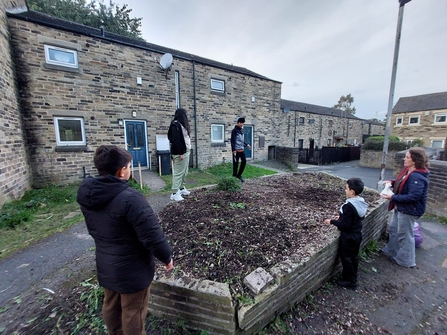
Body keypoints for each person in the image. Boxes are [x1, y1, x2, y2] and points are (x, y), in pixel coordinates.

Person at [77, 145, 174, 335]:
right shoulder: (131, 199)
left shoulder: (88, 195)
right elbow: (152, 235)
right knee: (133, 312)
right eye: (129, 167)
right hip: (133, 270)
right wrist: (166, 257)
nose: (129, 170)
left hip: (106, 266)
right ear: (122, 171)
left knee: (111, 305)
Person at [381, 147, 429, 268]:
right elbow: (402, 182)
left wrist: (392, 197)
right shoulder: (408, 172)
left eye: (407, 157)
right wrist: (391, 182)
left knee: (405, 235)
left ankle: (406, 260)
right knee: (393, 230)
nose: (404, 159)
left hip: (409, 210)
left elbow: (413, 197)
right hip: (401, 207)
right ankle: (391, 250)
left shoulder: (416, 177)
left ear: (415, 160)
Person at [324, 178, 368, 289]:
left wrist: (332, 222)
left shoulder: (348, 206)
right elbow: (356, 217)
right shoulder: (360, 202)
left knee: (346, 258)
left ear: (352, 191)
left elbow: (345, 225)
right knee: (354, 257)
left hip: (348, 237)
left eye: (346, 188)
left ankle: (350, 282)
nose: (345, 190)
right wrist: (342, 217)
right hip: (357, 234)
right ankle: (352, 276)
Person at [168, 108, 192, 201]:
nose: (187, 116)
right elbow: (176, 141)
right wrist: (181, 152)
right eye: (185, 114)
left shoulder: (181, 125)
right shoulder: (175, 125)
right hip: (180, 153)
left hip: (186, 151)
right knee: (178, 172)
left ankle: (181, 188)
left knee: (184, 171)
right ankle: (174, 193)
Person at [230, 117, 251, 182]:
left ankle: (239, 175)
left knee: (244, 161)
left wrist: (246, 145)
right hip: (236, 151)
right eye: (241, 123)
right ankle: (234, 175)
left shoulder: (241, 131)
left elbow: (242, 141)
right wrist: (233, 150)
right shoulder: (234, 131)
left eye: (243, 123)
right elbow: (232, 141)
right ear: (238, 123)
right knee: (235, 164)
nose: (242, 124)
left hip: (242, 150)